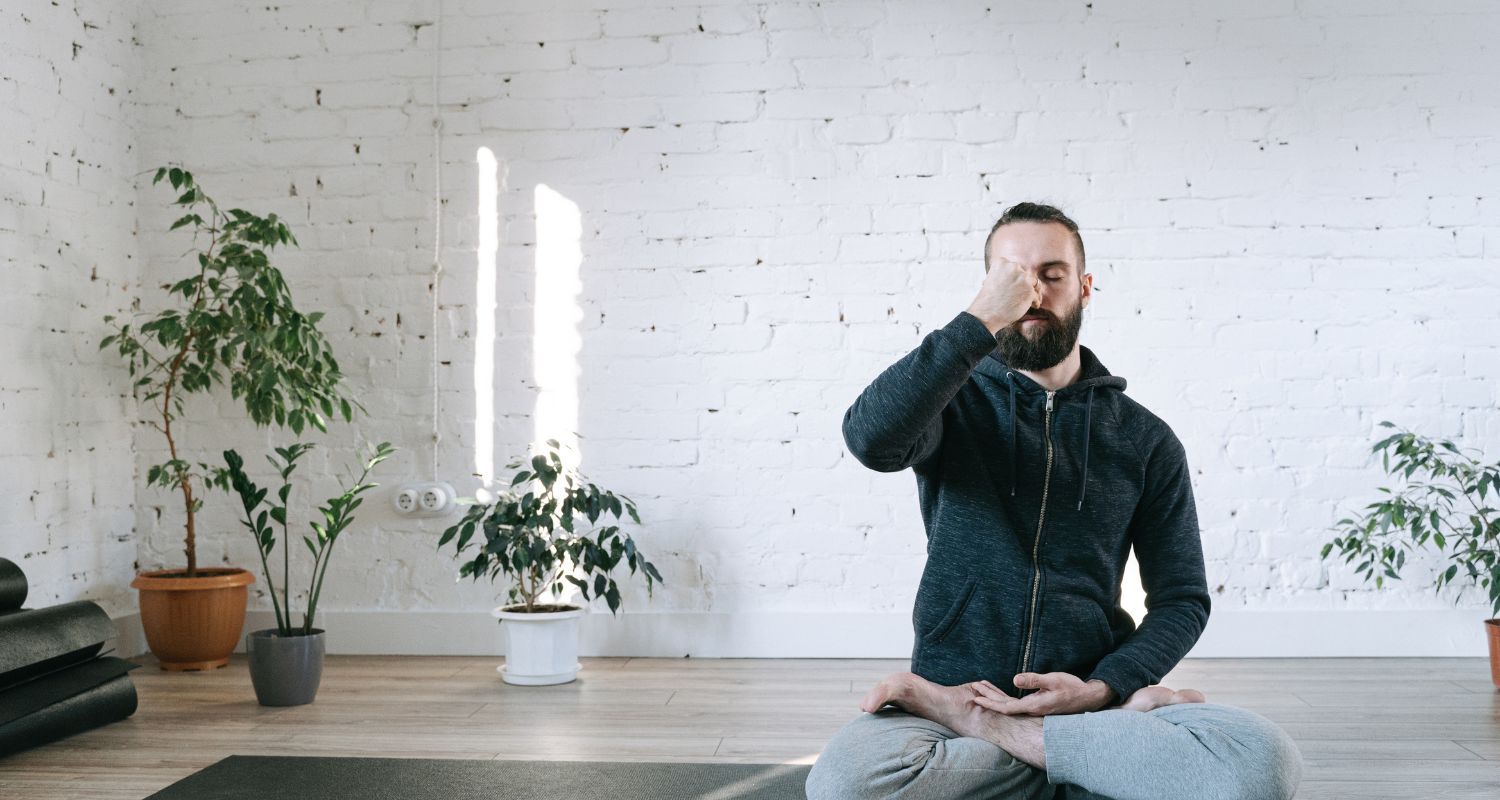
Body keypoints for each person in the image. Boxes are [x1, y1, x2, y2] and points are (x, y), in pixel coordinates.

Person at [805, 203, 1303, 800]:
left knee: (1264, 765)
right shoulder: (949, 406)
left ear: (1085, 289)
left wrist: (1104, 688)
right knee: (843, 786)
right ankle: (1100, 763)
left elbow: (1182, 601)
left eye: (1051, 274)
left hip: (1086, 702)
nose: (1032, 293)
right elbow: (871, 441)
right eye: (1011, 277)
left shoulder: (1145, 440)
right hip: (945, 706)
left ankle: (1030, 746)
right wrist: (977, 320)